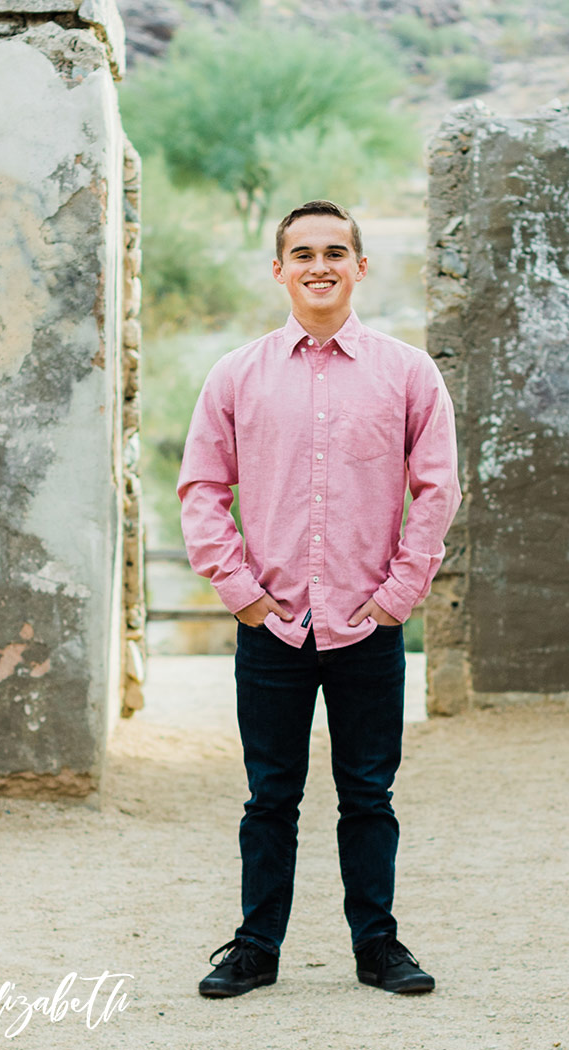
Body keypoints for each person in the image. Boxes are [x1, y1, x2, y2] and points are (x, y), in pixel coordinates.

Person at [178, 199, 461, 999]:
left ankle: (378, 947)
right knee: (270, 797)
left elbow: (436, 490)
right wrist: (240, 592)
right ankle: (255, 948)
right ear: (279, 270)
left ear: (360, 267)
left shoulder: (408, 374)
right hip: (271, 624)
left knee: (369, 797)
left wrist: (400, 594)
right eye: (302, 253)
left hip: (367, 625)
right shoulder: (236, 374)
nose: (320, 266)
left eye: (336, 251)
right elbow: (202, 487)